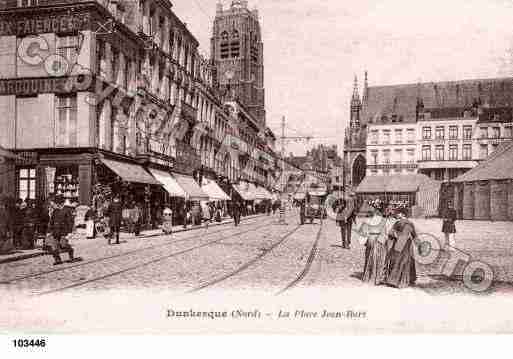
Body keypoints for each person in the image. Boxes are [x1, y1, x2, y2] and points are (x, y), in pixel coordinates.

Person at [361, 206, 393, 285]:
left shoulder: (368, 220)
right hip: (380, 240)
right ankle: (378, 277)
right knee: (380, 258)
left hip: (371, 239)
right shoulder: (385, 221)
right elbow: (388, 232)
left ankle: (368, 276)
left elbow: (363, 232)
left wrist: (367, 239)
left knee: (370, 257)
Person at [385, 210, 418, 288]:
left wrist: (394, 236)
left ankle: (394, 280)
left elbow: (390, 233)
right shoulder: (410, 223)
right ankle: (408, 279)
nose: (397, 215)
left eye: (398, 213)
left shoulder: (398, 223)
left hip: (399, 242)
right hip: (407, 243)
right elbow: (414, 235)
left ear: (402, 214)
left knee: (397, 260)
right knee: (407, 260)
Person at [48, 195, 75, 265]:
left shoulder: (67, 210)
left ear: (62, 203)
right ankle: (57, 259)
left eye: (59, 203)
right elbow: (51, 221)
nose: (57, 204)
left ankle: (71, 253)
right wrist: (49, 231)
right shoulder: (55, 211)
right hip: (55, 231)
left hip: (64, 231)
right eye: (57, 203)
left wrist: (70, 232)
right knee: (54, 246)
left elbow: (70, 222)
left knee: (64, 245)